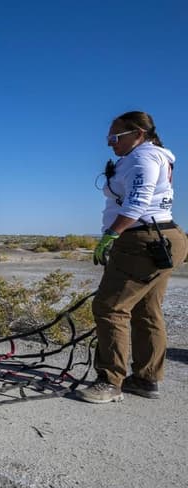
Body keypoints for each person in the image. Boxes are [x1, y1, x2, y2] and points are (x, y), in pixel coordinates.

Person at [77, 111, 188, 404]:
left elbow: (138, 200)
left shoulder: (144, 158)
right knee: (146, 309)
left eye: (115, 137)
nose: (110, 143)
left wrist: (112, 234)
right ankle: (145, 379)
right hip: (162, 237)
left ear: (138, 134)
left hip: (143, 240)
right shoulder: (154, 157)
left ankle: (109, 382)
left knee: (110, 306)